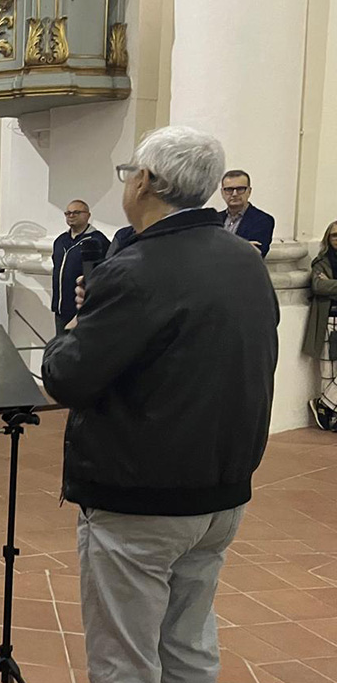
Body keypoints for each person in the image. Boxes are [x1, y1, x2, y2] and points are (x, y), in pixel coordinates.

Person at [42, 126, 278, 681]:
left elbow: (67, 377)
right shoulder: (244, 260)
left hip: (142, 496)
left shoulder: (135, 269)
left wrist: (76, 326)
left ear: (145, 181)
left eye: (128, 173)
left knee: (125, 658)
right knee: (189, 644)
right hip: (222, 489)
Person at [51, 200, 110, 334]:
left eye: (76, 212)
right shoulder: (60, 241)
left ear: (88, 215)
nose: (71, 215)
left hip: (83, 310)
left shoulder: (97, 241)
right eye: (68, 213)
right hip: (61, 308)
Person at [306, 220, 337, 431]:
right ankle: (331, 416)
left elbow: (327, 286)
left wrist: (331, 285)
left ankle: (323, 402)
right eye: (335, 235)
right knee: (329, 370)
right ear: (328, 238)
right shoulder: (321, 262)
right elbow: (318, 286)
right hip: (328, 320)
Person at [216, 169, 274, 257]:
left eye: (240, 189)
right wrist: (244, 246)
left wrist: (219, 248)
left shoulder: (263, 220)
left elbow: (255, 255)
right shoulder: (215, 219)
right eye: (229, 189)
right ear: (222, 193)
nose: (234, 194)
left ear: (249, 191)